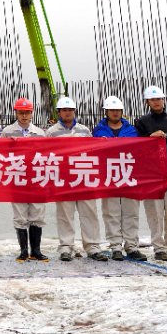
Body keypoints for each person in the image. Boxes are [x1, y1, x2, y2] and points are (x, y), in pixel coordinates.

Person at [46, 96, 105, 261]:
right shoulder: (51, 132)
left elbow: (93, 152)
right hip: (63, 179)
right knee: (65, 215)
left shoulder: (84, 131)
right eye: (64, 110)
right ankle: (66, 247)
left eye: (70, 110)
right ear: (58, 112)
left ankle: (93, 247)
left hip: (84, 177)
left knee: (89, 213)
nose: (67, 113)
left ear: (74, 111)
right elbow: (47, 155)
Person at [134, 86, 167, 262]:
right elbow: (135, 147)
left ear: (164, 100)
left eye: (159, 99)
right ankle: (158, 248)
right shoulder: (141, 123)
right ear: (147, 102)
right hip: (151, 177)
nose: (156, 102)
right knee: (154, 214)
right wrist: (150, 137)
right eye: (152, 99)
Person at [93, 96, 145, 262]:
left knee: (131, 213)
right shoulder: (98, 131)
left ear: (121, 111)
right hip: (109, 176)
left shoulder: (132, 131)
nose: (115, 113)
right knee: (111, 213)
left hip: (129, 176)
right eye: (112, 110)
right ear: (106, 112)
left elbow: (141, 152)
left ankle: (132, 246)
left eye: (117, 110)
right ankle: (115, 246)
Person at [0, 98, 48, 262]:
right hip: (17, 178)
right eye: (21, 113)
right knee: (20, 216)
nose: (24, 116)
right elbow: (0, 155)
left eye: (27, 113)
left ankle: (36, 251)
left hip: (36, 178)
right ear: (16, 113)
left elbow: (46, 155)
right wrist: (10, 145)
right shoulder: (7, 132)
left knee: (37, 214)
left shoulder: (40, 133)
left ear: (31, 113)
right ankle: (23, 251)